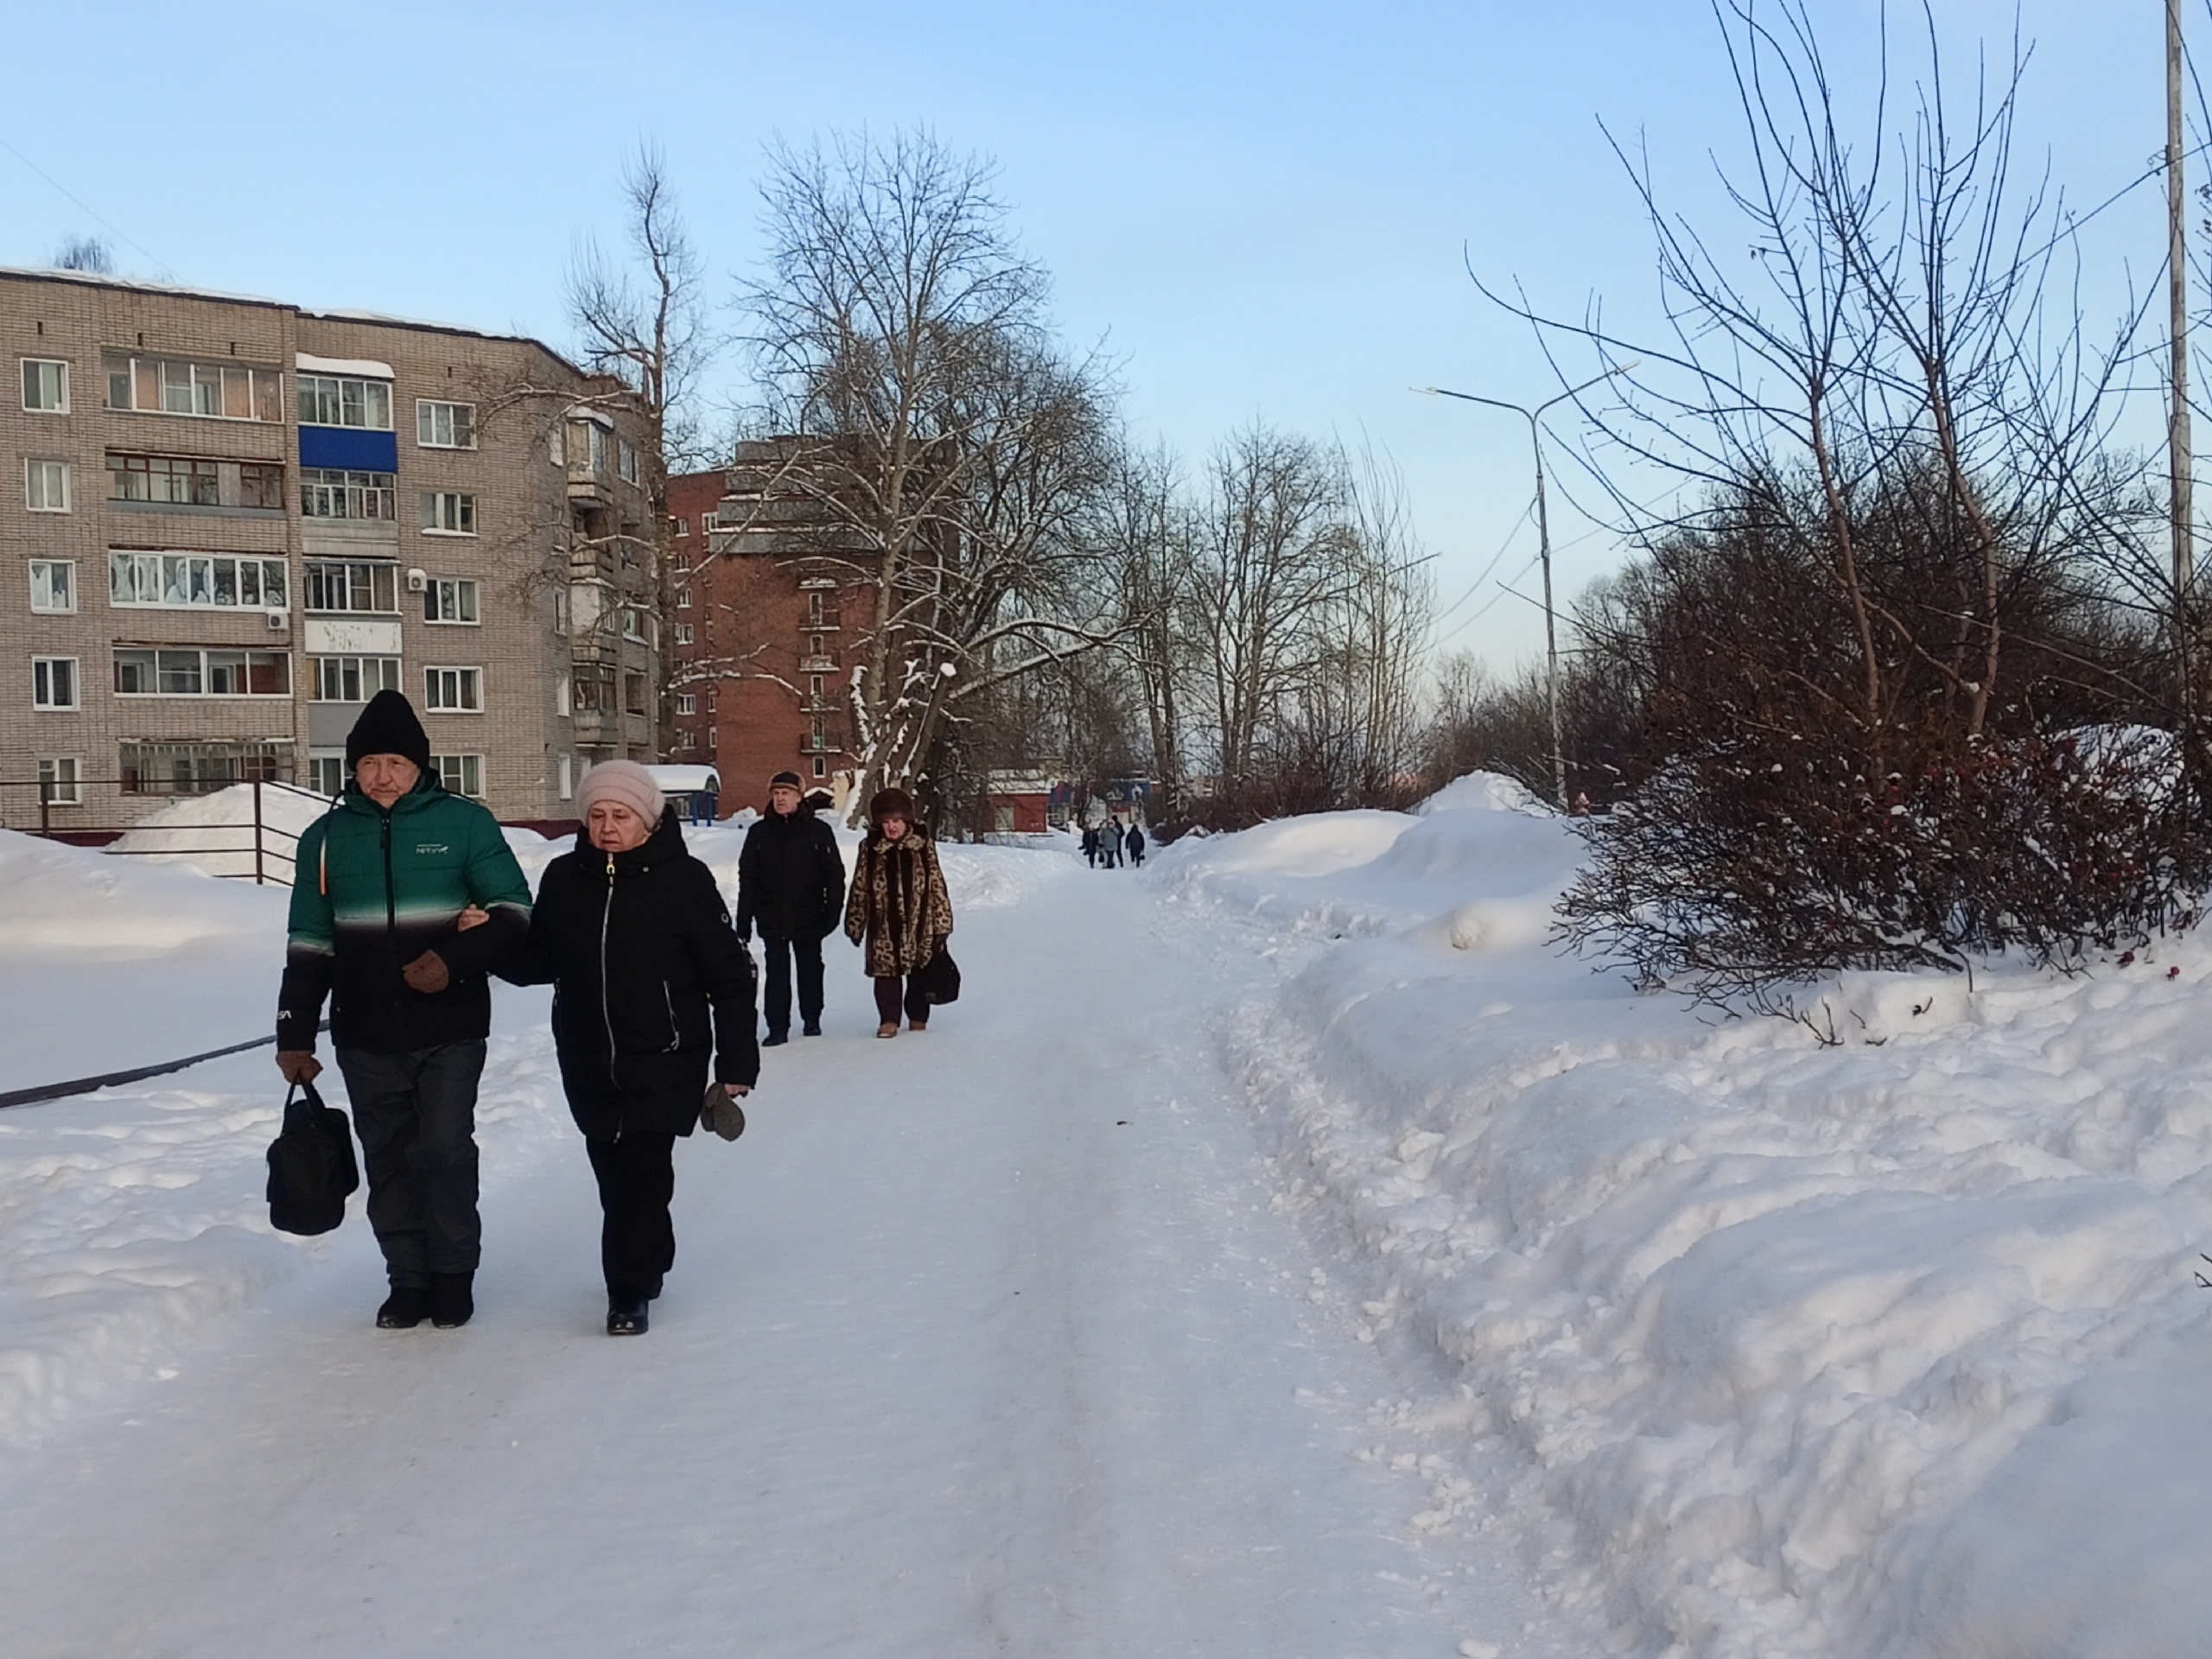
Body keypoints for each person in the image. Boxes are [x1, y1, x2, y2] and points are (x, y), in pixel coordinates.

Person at [275, 689, 531, 1332]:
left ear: (420, 766)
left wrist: (452, 959)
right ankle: (407, 1278)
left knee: (443, 1150)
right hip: (363, 1033)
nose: (382, 776)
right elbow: (309, 942)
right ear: (351, 769)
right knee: (388, 1156)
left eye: (395, 763)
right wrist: (294, 1034)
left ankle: (452, 1274)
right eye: (368, 764)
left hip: (450, 1027)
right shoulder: (325, 840)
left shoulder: (465, 824)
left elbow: (514, 912)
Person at [499, 761, 759, 1336]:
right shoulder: (566, 880)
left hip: (668, 1054)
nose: (607, 827)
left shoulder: (685, 881)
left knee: (641, 1172)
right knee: (616, 1176)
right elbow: (539, 961)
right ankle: (648, 1250)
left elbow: (730, 976)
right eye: (596, 816)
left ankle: (627, 1292)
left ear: (646, 821)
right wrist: (485, 937)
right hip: (588, 1057)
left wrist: (737, 1063)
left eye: (620, 816)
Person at [735, 769, 846, 1045]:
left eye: (786, 793)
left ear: (799, 797)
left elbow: (834, 875)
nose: (780, 798)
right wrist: (744, 919)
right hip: (772, 914)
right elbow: (748, 877)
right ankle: (778, 1027)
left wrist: (833, 911)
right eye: (776, 793)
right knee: (777, 973)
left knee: (810, 969)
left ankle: (811, 1018)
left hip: (809, 913)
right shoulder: (759, 833)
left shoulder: (818, 832)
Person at [843, 786, 954, 1038]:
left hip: (919, 921)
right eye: (886, 822)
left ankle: (917, 1016)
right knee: (886, 973)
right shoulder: (870, 848)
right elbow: (860, 885)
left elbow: (936, 883)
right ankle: (889, 1019)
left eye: (896, 821)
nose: (891, 827)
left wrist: (942, 923)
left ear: (907, 821)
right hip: (883, 923)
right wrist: (855, 920)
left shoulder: (923, 845)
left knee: (919, 969)